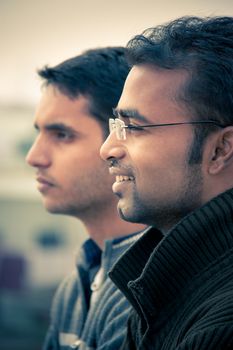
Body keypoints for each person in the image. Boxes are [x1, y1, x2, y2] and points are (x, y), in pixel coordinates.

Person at [100, 16, 233, 349]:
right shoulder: (162, 283)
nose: (108, 149)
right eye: (117, 125)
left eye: (135, 127)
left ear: (219, 150)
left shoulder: (221, 326)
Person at [26, 47, 146, 350]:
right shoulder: (72, 288)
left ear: (119, 139)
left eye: (62, 135)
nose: (34, 157)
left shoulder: (152, 290)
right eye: (39, 133)